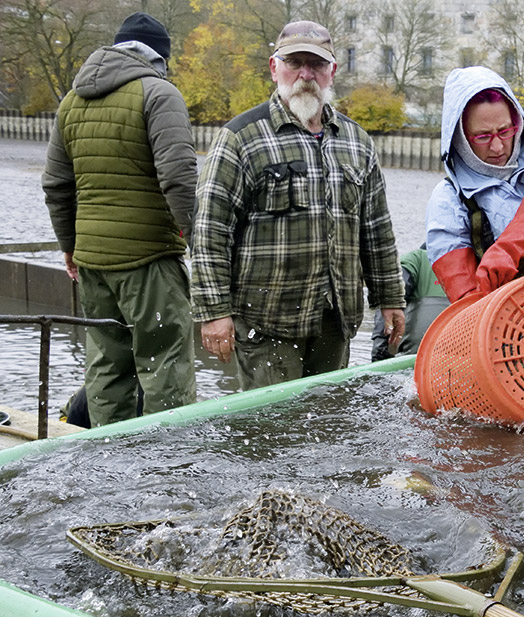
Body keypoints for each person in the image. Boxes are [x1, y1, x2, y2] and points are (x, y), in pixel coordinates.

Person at [191, 20, 404, 390]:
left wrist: (390, 298)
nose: (306, 74)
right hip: (266, 322)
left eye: (317, 64)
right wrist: (214, 312)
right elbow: (210, 231)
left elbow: (378, 231)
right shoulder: (240, 138)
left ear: (332, 72)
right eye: (295, 62)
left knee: (326, 425)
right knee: (272, 434)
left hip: (335, 321)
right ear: (274, 68)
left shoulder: (357, 142)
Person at [41, 12, 196, 426]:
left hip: (93, 263)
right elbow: (178, 177)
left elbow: (56, 186)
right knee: (165, 365)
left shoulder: (72, 101)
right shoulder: (159, 93)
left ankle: (106, 468)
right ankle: (168, 467)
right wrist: (196, 238)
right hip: (149, 260)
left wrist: (69, 248)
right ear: (160, 57)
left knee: (107, 366)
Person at [425, 67, 524, 303]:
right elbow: (465, 297)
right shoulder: (448, 199)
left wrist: (506, 250)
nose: (497, 147)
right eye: (483, 136)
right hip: (501, 322)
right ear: (460, 138)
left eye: (505, 131)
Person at [369, 246, 448, 360]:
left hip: (415, 357)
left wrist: (379, 348)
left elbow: (390, 296)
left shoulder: (417, 259)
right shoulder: (479, 263)